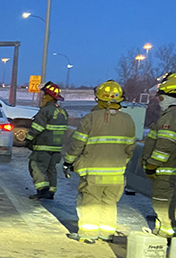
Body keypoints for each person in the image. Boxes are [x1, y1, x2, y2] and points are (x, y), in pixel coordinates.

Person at [63, 80, 136, 244]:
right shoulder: (128, 120)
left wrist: (68, 161)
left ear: (99, 99)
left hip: (94, 172)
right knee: (110, 202)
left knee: (90, 202)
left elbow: (77, 144)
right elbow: (130, 148)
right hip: (117, 173)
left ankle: (88, 234)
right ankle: (107, 233)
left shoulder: (91, 118)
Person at [141, 75, 176, 238]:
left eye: (161, 96)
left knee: (162, 202)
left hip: (167, 171)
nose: (159, 99)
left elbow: (164, 146)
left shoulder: (170, 116)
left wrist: (152, 165)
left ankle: (166, 234)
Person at [25, 81, 69, 200]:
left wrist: (27, 140)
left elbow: (36, 129)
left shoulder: (45, 111)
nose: (42, 97)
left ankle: (42, 190)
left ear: (47, 96)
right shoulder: (63, 112)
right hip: (56, 148)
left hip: (42, 147)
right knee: (51, 169)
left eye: (44, 94)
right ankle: (51, 192)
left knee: (36, 166)